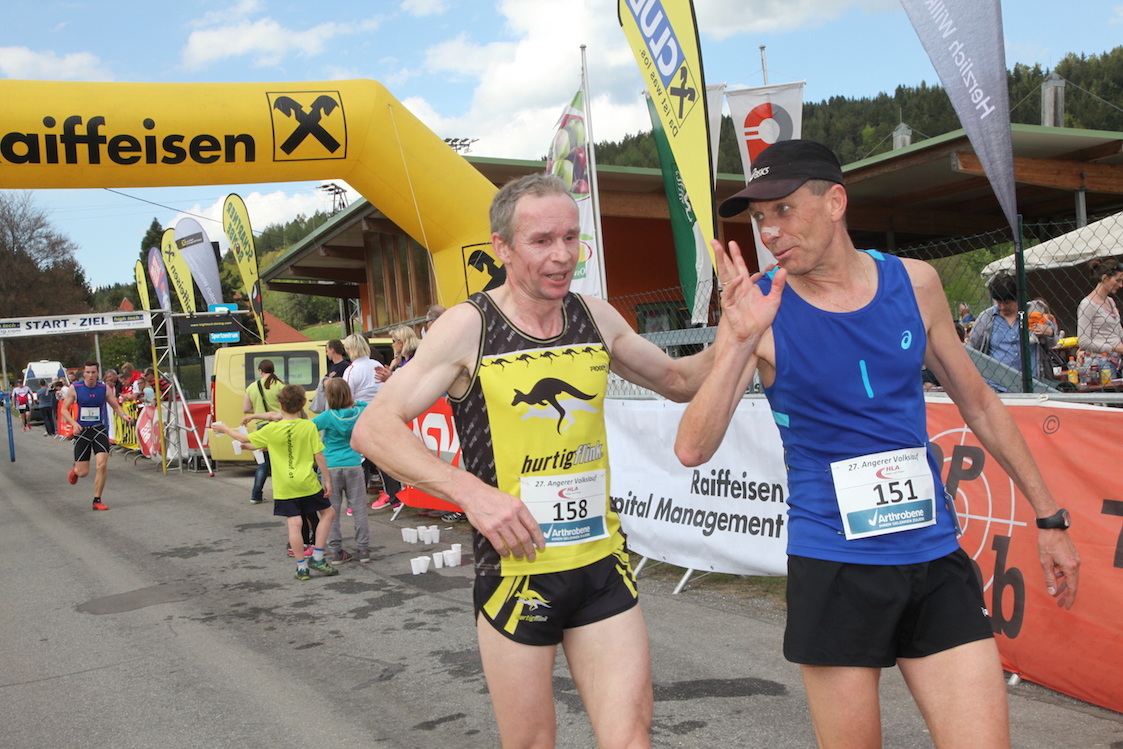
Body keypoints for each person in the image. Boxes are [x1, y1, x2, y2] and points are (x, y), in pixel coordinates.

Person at [675, 139, 1080, 749]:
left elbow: (979, 402)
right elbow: (692, 449)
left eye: (783, 209)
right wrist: (737, 341)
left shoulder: (915, 283)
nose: (769, 231)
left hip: (932, 555)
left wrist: (1049, 517)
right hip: (834, 564)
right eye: (758, 217)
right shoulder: (761, 312)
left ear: (835, 202)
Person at [352, 172, 728, 748]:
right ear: (502, 247)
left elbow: (679, 381)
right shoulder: (469, 326)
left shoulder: (595, 316)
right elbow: (373, 428)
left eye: (571, 238)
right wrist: (472, 495)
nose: (562, 256)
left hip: (600, 562)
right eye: (542, 241)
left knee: (631, 737)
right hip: (517, 572)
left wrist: (738, 333)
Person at [216, 385, 339, 581]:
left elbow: (244, 438)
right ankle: (317, 556)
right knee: (328, 513)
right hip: (307, 482)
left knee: (294, 524)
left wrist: (225, 429)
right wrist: (328, 480)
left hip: (284, 486)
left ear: (280, 405)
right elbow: (318, 455)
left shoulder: (271, 429)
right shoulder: (308, 426)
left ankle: (301, 568)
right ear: (302, 404)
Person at [62, 361, 136, 511]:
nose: (91, 375)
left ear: (97, 373)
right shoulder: (75, 388)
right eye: (88, 372)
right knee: (83, 473)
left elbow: (115, 406)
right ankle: (76, 470)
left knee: (102, 465)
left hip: (99, 430)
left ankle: (97, 500)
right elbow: (64, 409)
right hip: (82, 431)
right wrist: (73, 423)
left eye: (93, 372)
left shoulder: (104, 389)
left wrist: (124, 415)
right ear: (83, 373)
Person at [312, 378, 370, 564]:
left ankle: (336, 551)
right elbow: (370, 406)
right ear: (349, 394)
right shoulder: (360, 412)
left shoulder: (327, 416)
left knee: (331, 511)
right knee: (359, 509)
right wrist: (355, 402)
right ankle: (363, 550)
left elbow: (308, 428)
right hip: (354, 464)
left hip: (331, 467)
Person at [967, 272, 1057, 390]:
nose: (1002, 307)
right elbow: (972, 348)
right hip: (995, 385)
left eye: (1007, 303)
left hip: (1029, 384)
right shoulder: (987, 318)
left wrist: (1049, 332)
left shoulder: (1033, 313)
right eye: (999, 302)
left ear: (1017, 298)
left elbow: (1053, 343)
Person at [244, 360, 283, 505]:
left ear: (260, 371)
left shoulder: (252, 387)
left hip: (262, 427)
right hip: (278, 425)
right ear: (272, 370)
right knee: (280, 461)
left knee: (264, 463)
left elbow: (246, 408)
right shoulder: (279, 385)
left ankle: (256, 495)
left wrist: (258, 411)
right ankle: (282, 494)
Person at [1077, 257, 1123, 378]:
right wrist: (1115, 349)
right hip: (1100, 363)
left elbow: (1118, 331)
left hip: (1118, 361)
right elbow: (1084, 341)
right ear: (1105, 278)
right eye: (1118, 280)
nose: (1120, 285)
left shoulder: (1110, 301)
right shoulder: (1087, 304)